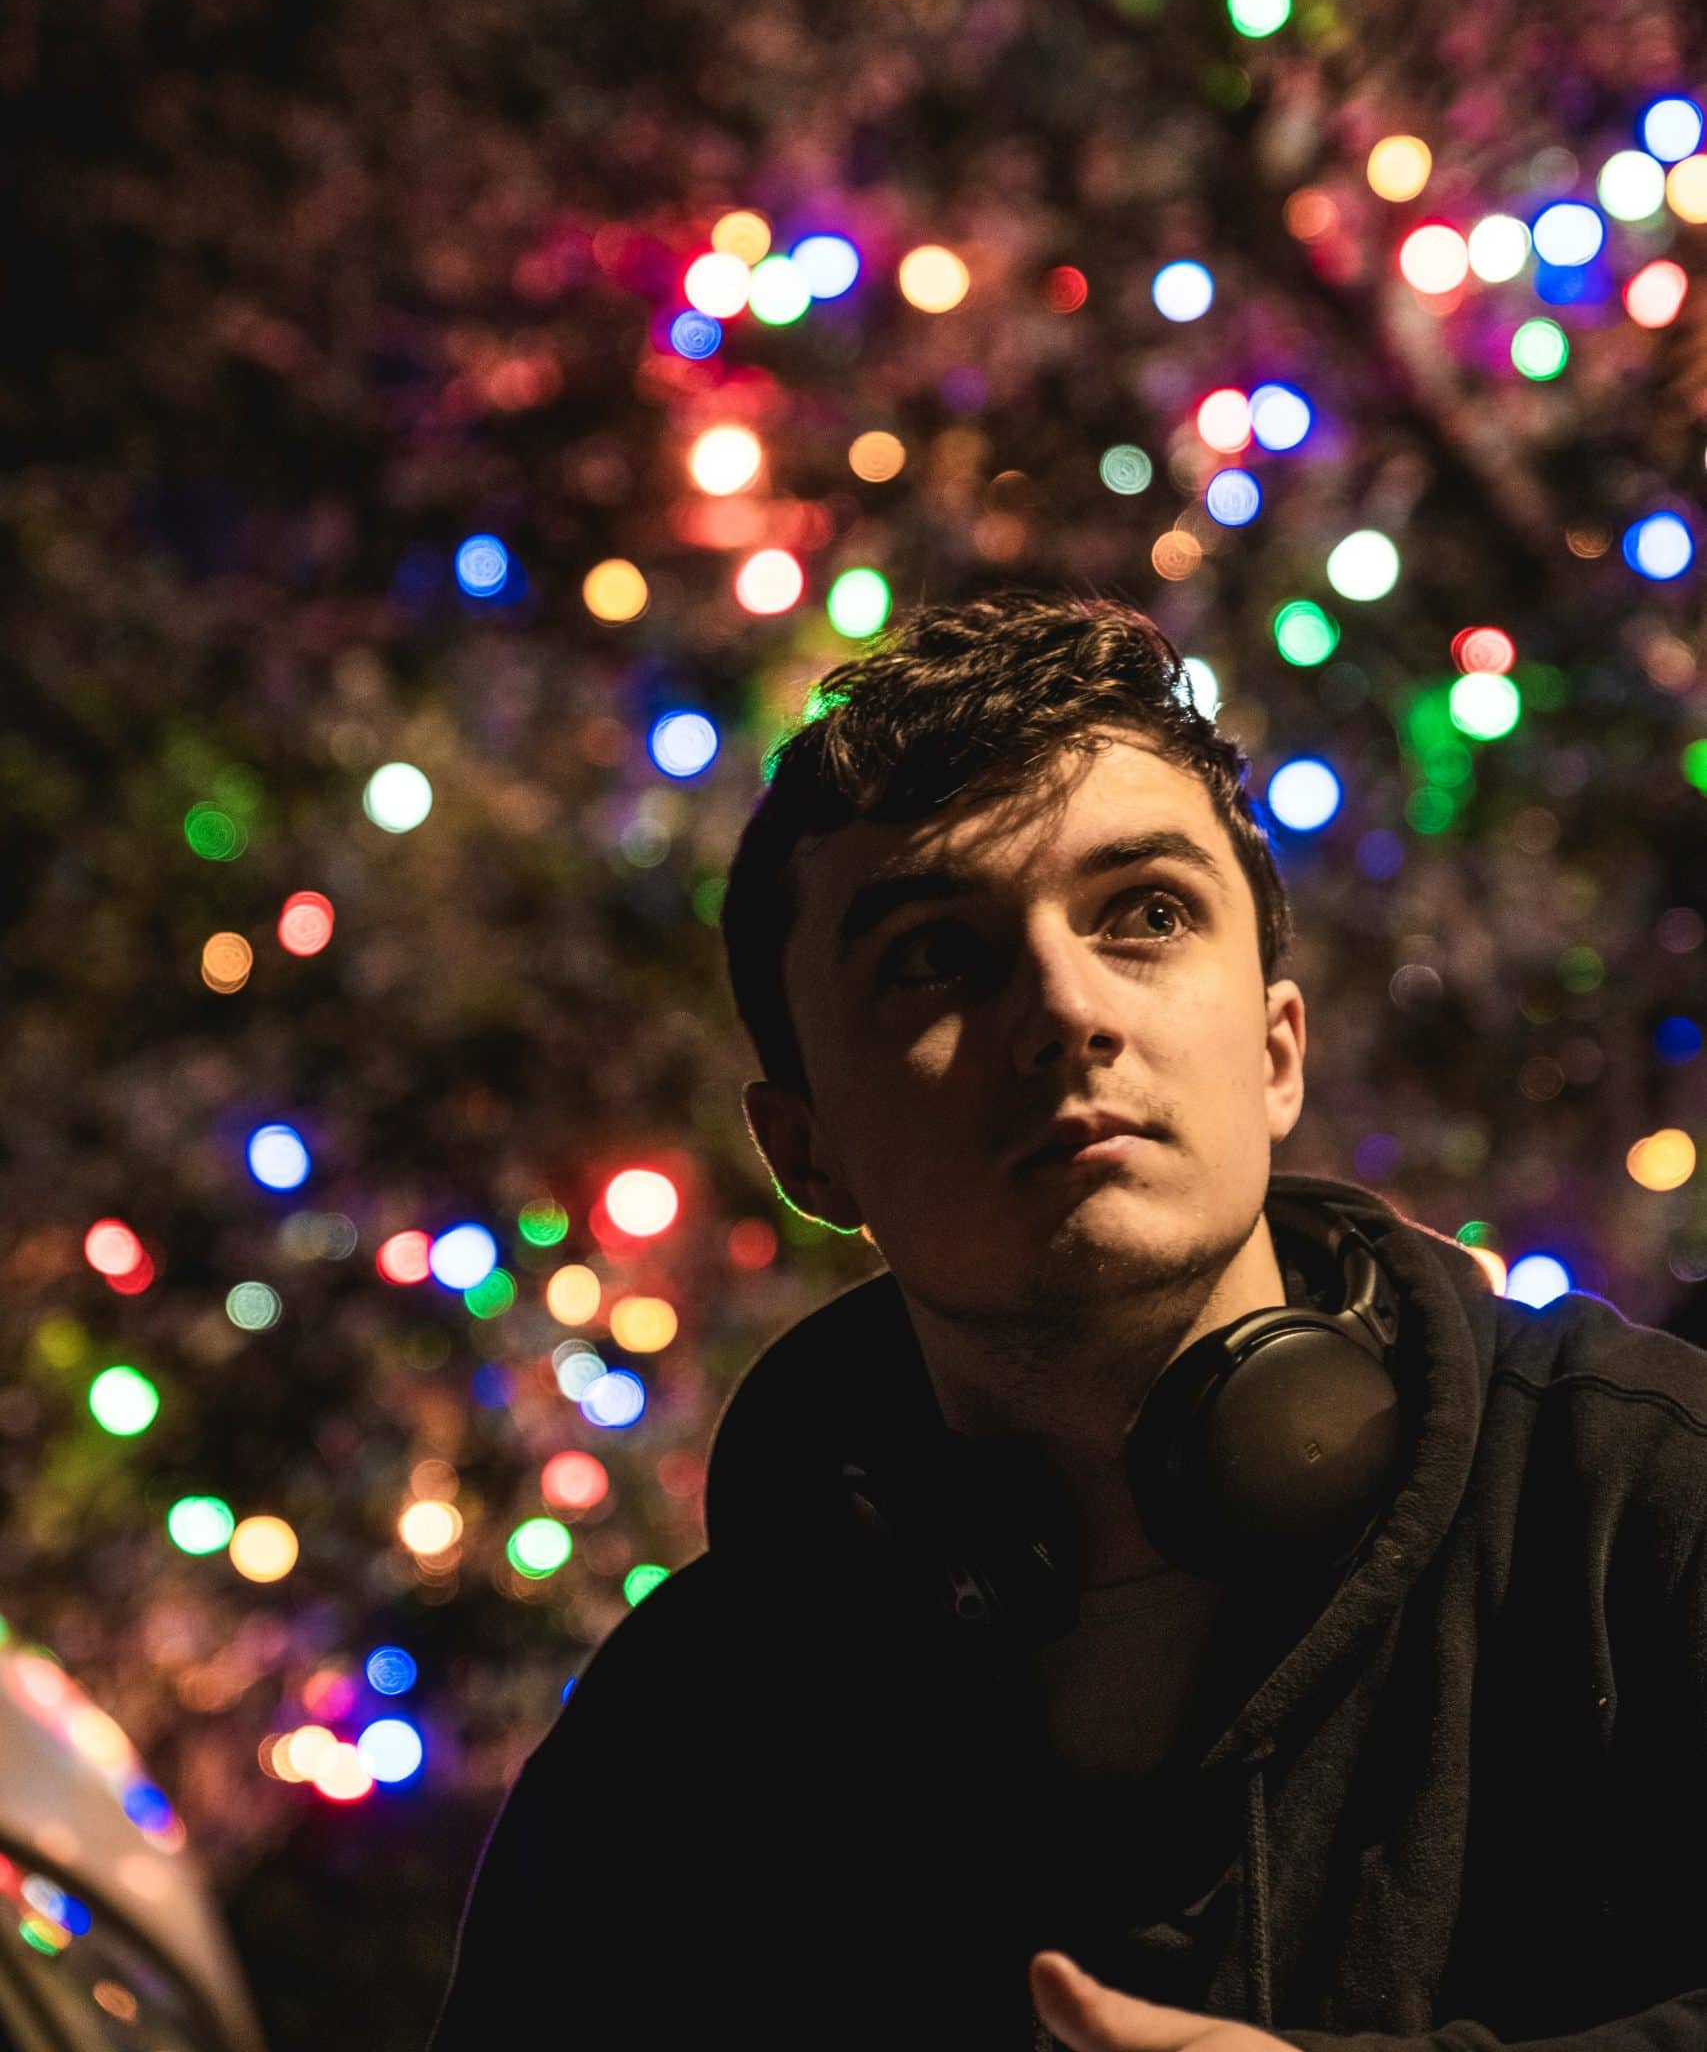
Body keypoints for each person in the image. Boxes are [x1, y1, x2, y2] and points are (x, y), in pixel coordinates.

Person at [429, 587, 1707, 2052]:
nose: (1064, 1008)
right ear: (803, 1150)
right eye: (932, 956)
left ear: (1278, 1049)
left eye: (1145, 916)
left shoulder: (1641, 1496)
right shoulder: (675, 1749)